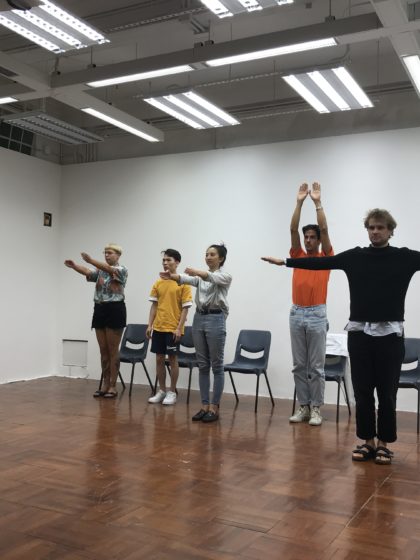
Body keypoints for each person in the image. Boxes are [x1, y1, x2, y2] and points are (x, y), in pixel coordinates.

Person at [262, 208, 420, 464]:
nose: (375, 231)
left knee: (387, 393)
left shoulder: (404, 258)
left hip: (390, 336)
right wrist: (286, 262)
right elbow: (319, 262)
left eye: (380, 227)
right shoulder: (356, 256)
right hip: (359, 334)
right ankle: (367, 441)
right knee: (362, 392)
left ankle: (384, 443)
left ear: (390, 230)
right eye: (371, 227)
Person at [265, 182, 333, 426]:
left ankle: (316, 408)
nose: (308, 240)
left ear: (319, 240)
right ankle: (303, 406)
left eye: (312, 237)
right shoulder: (298, 257)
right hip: (297, 313)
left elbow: (324, 228)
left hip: (317, 314)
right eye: (306, 237)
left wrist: (317, 203)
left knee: (316, 367)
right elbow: (292, 228)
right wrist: (299, 203)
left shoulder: (326, 258)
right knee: (299, 365)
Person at [160, 244, 232, 423]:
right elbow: (187, 279)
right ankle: (204, 406)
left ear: (221, 258)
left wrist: (196, 272)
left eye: (212, 254)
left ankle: (214, 407)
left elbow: (208, 276)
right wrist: (172, 276)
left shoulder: (225, 276)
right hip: (199, 318)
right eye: (206, 254)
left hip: (216, 318)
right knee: (203, 365)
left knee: (217, 365)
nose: (208, 257)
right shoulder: (200, 278)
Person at [64, 244, 127, 398]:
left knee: (113, 350)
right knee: (103, 350)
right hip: (100, 309)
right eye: (105, 253)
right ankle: (105, 383)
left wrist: (91, 260)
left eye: (110, 253)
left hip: (115, 309)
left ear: (118, 255)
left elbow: (109, 269)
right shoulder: (100, 271)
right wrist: (75, 266)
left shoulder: (121, 269)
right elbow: (88, 272)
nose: (107, 255)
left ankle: (113, 386)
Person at [147, 249, 193, 406]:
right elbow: (154, 305)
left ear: (177, 262)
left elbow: (186, 308)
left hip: (173, 329)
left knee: (173, 359)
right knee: (159, 359)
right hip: (159, 327)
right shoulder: (158, 283)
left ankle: (172, 392)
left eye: (169, 260)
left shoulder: (183, 282)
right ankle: (161, 390)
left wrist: (179, 328)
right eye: (164, 260)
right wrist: (150, 325)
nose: (165, 263)